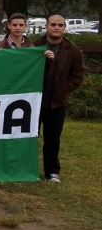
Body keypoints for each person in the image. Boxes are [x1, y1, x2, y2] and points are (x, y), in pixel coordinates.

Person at [33, 15, 85, 183]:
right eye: (53, 24)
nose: (56, 27)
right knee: (29, 137)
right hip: (33, 101)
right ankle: (27, 168)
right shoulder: (34, 46)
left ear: (64, 28)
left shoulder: (73, 50)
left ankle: (52, 171)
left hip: (56, 102)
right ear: (46, 26)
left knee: (53, 139)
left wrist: (63, 89)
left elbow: (77, 77)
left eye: (60, 25)